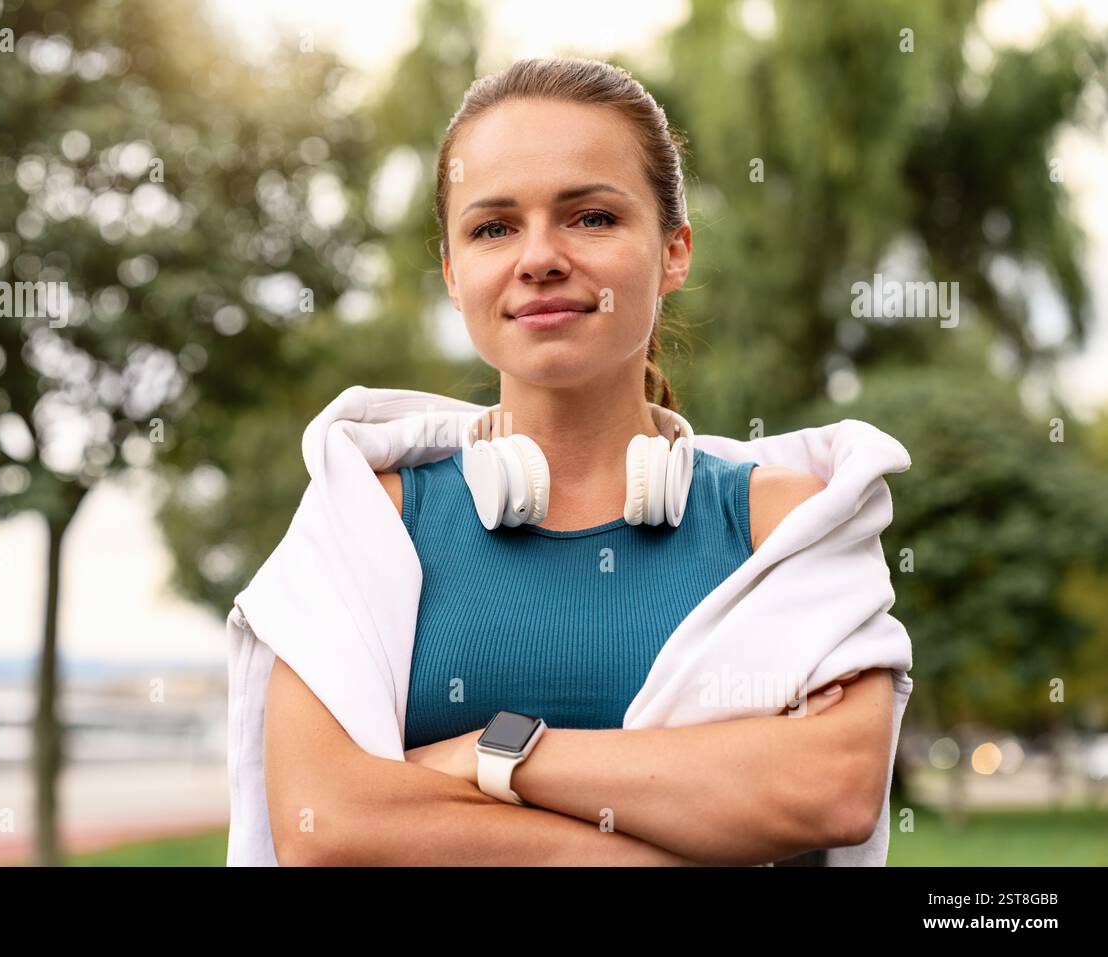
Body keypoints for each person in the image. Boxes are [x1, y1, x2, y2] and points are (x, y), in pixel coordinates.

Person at [263, 56, 893, 866]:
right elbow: (325, 822)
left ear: (675, 250)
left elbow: (831, 788)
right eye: (493, 227)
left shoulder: (788, 522)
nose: (539, 258)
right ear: (455, 276)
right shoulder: (365, 520)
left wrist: (488, 755)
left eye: (590, 217)